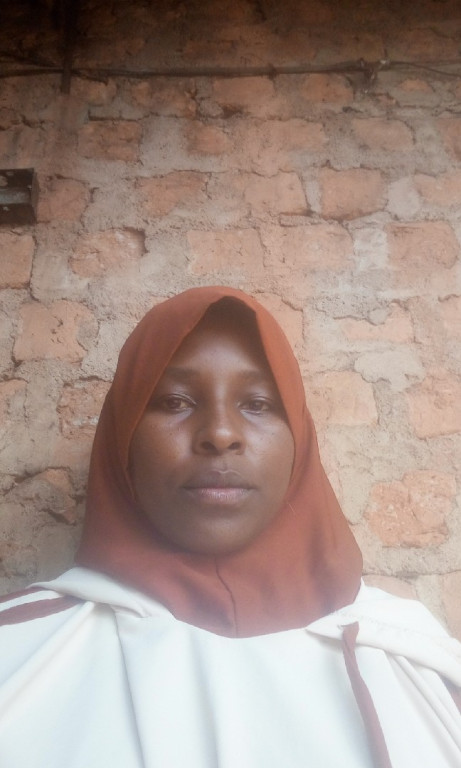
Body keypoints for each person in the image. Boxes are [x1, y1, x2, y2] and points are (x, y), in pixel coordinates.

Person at [0, 285, 460, 768]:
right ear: (123, 438)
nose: (220, 434)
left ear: (299, 440)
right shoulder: (20, 656)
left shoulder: (417, 665)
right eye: (174, 401)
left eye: (258, 404)